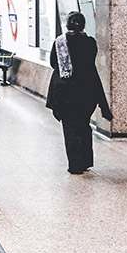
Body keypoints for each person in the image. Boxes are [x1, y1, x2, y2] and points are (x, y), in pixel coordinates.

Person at [46, 11, 112, 175]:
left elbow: (54, 64)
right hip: (87, 92)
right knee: (84, 125)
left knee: (70, 128)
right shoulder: (90, 43)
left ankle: (75, 165)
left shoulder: (59, 43)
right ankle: (85, 161)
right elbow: (90, 65)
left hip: (65, 92)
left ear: (67, 24)